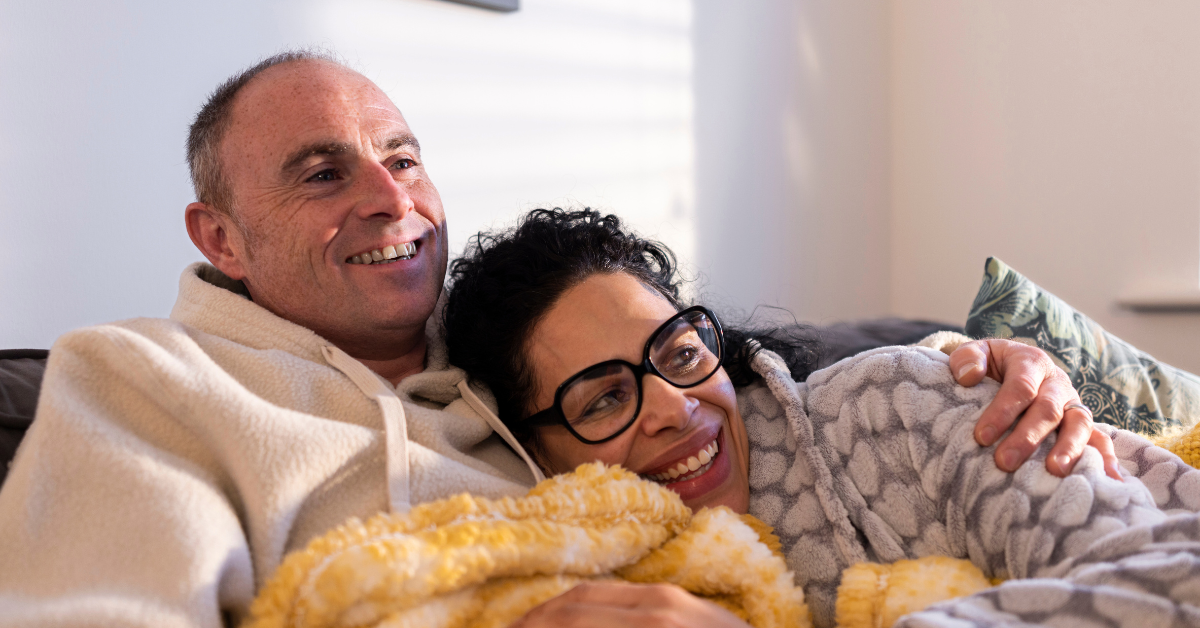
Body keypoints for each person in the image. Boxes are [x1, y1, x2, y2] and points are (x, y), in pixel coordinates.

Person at [0, 51, 1112, 628]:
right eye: (321, 172)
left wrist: (995, 360)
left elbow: (756, 389)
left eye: (403, 155)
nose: (394, 199)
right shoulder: (143, 377)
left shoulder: (515, 357)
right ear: (220, 236)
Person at [442, 208, 1200, 628]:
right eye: (604, 398)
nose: (676, 406)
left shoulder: (897, 406)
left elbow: (1174, 582)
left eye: (678, 353)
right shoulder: (583, 553)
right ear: (531, 448)